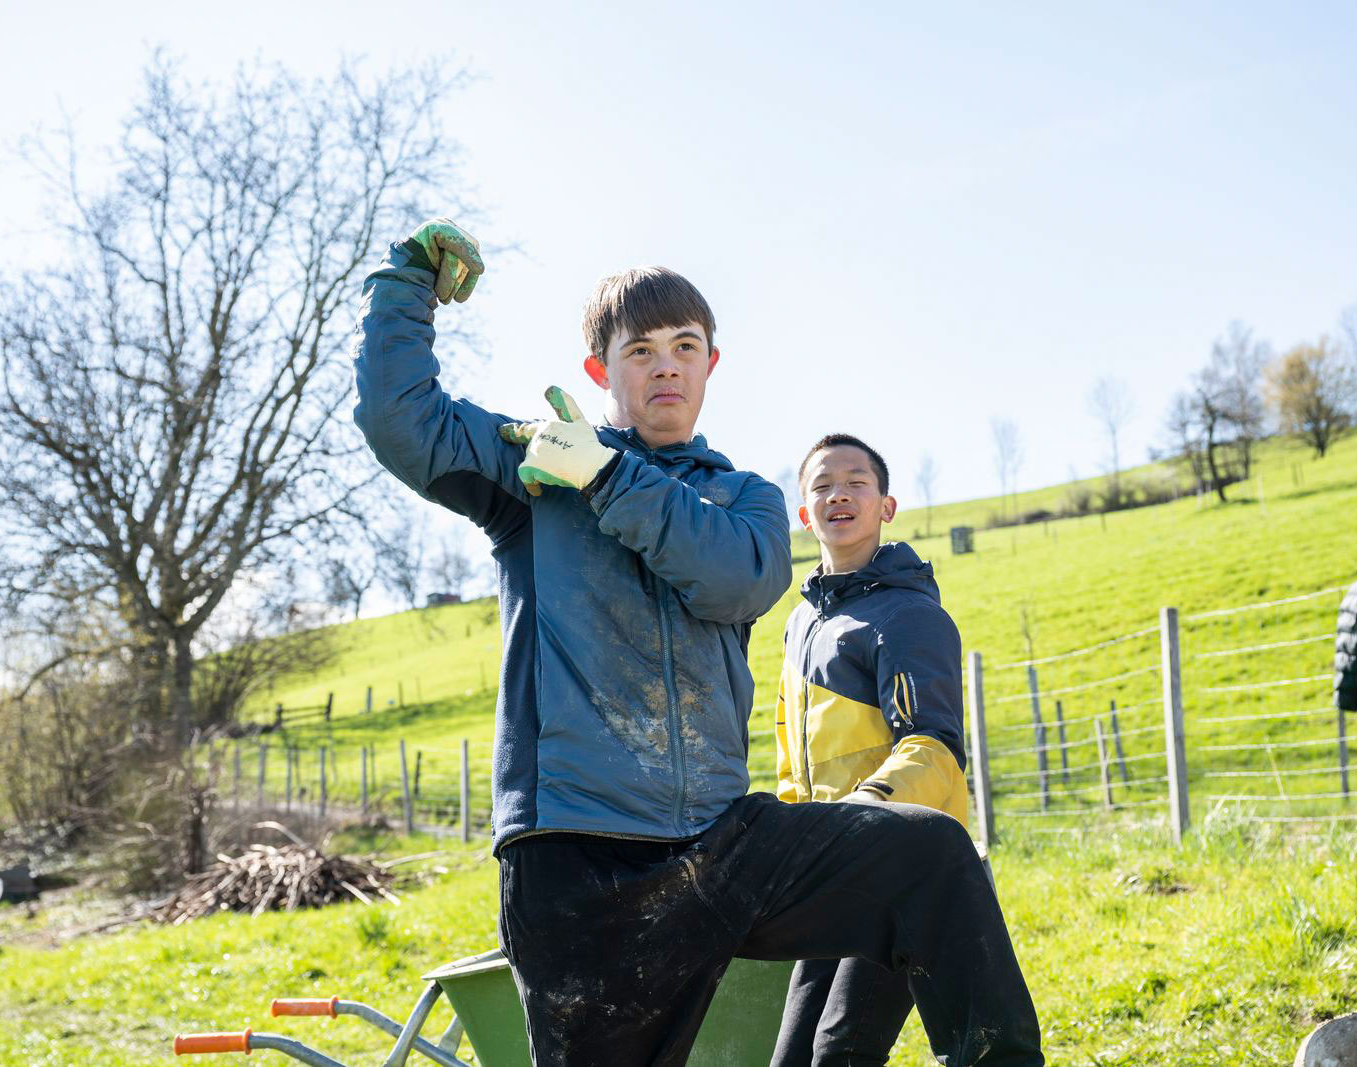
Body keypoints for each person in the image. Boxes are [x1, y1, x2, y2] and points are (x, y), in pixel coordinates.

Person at [352, 218, 1043, 1066]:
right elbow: (401, 422)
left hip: (723, 844)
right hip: (576, 860)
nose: (667, 364)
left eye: (686, 345)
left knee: (930, 856)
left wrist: (606, 475)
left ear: (712, 364)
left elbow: (735, 580)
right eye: (640, 349)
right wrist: (406, 287)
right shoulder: (533, 478)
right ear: (600, 370)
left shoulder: (745, 501)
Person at [771, 434, 984, 1066]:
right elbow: (792, 756)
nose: (839, 493)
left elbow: (934, 746)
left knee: (840, 1053)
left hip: (901, 870)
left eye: (857, 482)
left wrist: (863, 816)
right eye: (821, 485)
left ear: (886, 506)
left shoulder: (909, 617)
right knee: (791, 1058)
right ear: (804, 514)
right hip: (827, 873)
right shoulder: (800, 624)